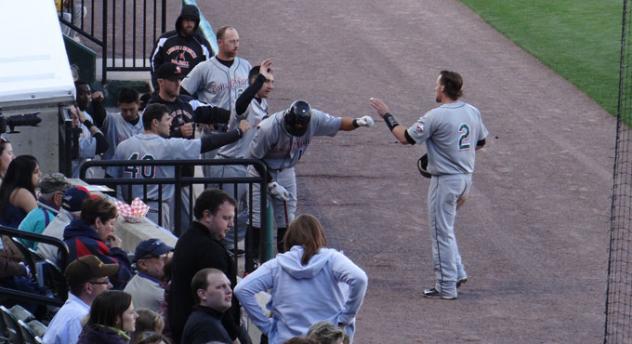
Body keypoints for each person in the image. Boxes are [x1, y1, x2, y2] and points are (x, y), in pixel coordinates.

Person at [369, 70, 488, 300]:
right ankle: (457, 273)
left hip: (445, 182)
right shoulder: (472, 111)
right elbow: (480, 143)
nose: (435, 88)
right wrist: (451, 154)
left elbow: (405, 137)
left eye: (437, 84)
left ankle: (446, 286)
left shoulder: (437, 115)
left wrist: (386, 114)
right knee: (446, 228)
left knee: (440, 232)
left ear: (443, 88)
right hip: (465, 180)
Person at [247, 100, 374, 252]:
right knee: (256, 220)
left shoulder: (314, 118)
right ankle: (251, 265)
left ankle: (285, 261)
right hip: (261, 172)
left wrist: (357, 122)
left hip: (286, 170)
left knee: (287, 221)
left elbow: (338, 123)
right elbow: (253, 158)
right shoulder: (269, 128)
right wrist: (270, 183)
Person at [107, 103, 248, 230]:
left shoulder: (124, 145)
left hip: (127, 208)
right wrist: (237, 133)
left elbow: (110, 178)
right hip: (154, 209)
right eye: (167, 119)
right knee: (158, 251)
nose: (171, 123)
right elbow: (206, 143)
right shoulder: (167, 145)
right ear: (155, 123)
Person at [234, 214, 368, 344]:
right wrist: (346, 317)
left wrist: (266, 326)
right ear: (319, 235)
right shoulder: (332, 259)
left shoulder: (277, 265)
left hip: (286, 339)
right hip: (327, 339)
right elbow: (359, 279)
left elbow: (243, 289)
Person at [147, 63, 233, 231]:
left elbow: (214, 113)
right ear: (161, 82)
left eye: (179, 79)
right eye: (173, 80)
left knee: (187, 228)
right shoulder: (152, 107)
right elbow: (149, 140)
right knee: (161, 229)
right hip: (161, 182)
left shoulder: (188, 103)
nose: (178, 83)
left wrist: (238, 117)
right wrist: (177, 132)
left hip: (185, 177)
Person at [209, 59, 273, 259]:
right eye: (266, 82)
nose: (271, 86)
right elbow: (240, 103)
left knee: (251, 214)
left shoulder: (263, 103)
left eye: (272, 81)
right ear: (254, 83)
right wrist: (258, 79)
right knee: (224, 215)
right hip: (229, 164)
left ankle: (230, 250)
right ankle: (219, 253)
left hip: (246, 166)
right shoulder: (244, 100)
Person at [168, 189, 244, 343]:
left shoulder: (188, 239)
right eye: (226, 218)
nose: (231, 224)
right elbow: (221, 296)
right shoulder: (209, 249)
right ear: (207, 215)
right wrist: (233, 334)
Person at [180, 25, 251, 174]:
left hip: (242, 136)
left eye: (238, 41)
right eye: (232, 41)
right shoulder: (204, 68)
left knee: (242, 185)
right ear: (220, 42)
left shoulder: (246, 66)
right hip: (215, 136)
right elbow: (182, 94)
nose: (236, 45)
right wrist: (197, 117)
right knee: (214, 185)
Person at [43, 255, 118, 344]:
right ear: (89, 288)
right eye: (105, 281)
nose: (110, 286)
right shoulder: (79, 318)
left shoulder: (72, 310)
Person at [63, 197, 133, 289]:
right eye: (111, 224)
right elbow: (124, 274)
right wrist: (117, 250)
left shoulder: (74, 234)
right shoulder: (90, 245)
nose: (113, 229)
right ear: (98, 222)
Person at [150, 4, 212, 90]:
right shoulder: (165, 39)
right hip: (166, 90)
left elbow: (208, 70)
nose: (189, 24)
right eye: (186, 20)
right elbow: (154, 61)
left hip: (190, 94)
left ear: (196, 23)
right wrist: (158, 86)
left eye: (192, 21)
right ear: (181, 21)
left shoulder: (202, 45)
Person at [37, 186, 91, 264]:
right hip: (52, 273)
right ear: (81, 212)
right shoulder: (70, 230)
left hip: (41, 267)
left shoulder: (56, 221)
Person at [181, 268, 233, 344]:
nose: (229, 291)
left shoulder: (205, 319)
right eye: (220, 287)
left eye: (229, 285)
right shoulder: (205, 327)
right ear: (202, 294)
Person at [91, 88, 145, 161]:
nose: (128, 113)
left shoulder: (146, 120)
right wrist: (96, 103)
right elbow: (100, 116)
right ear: (119, 105)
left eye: (131, 109)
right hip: (114, 169)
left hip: (139, 169)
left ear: (139, 104)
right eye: (124, 110)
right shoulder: (112, 119)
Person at [18, 173, 70, 249]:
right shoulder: (48, 221)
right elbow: (40, 254)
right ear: (57, 197)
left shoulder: (38, 211)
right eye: (68, 196)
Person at [71, 81, 108, 178]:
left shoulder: (87, 117)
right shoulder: (71, 122)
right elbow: (102, 143)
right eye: (82, 94)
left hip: (85, 175)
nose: (87, 97)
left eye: (88, 93)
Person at [124, 239, 173, 313]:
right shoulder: (157, 293)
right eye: (164, 258)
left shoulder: (138, 279)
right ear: (143, 264)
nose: (168, 261)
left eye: (168, 254)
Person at [0, 155, 41, 227]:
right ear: (25, 175)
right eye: (35, 172)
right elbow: (40, 220)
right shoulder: (22, 193)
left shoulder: (8, 190)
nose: (40, 174)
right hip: (18, 236)